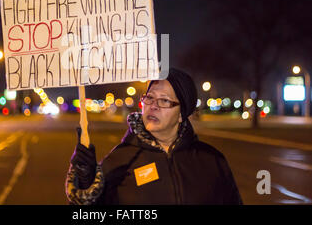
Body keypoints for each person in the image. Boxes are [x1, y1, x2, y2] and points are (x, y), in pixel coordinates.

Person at [65, 68, 242, 205]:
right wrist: (86, 180)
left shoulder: (213, 160)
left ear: (182, 113)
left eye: (164, 100)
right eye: (149, 98)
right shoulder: (119, 160)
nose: (153, 106)